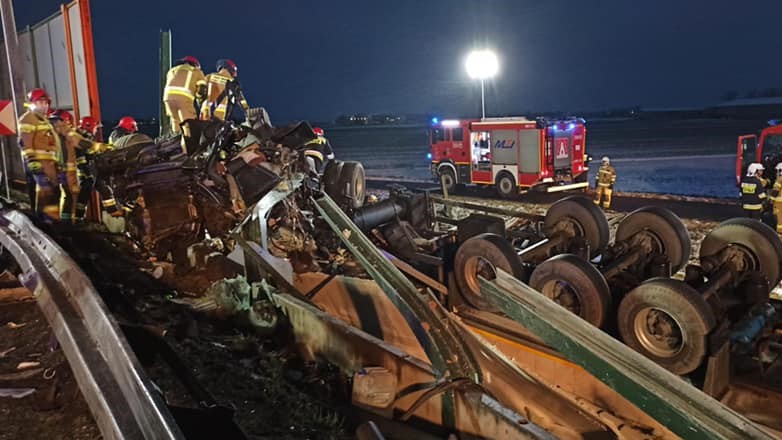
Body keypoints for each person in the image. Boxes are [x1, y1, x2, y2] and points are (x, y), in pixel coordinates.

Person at [18, 88, 61, 220]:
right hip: (37, 162)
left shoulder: (43, 120)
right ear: (32, 103)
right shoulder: (28, 119)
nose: (44, 105)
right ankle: (47, 223)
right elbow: (25, 142)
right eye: (40, 102)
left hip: (48, 164)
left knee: (51, 193)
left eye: (46, 102)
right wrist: (32, 161)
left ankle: (45, 222)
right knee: (47, 192)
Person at [48, 110, 80, 223]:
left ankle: (58, 222)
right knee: (66, 196)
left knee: (61, 196)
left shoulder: (51, 133)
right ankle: (63, 223)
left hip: (54, 170)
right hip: (59, 171)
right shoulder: (60, 136)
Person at [163, 56, 206, 141]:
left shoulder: (172, 70)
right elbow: (201, 90)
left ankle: (176, 144)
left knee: (176, 123)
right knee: (189, 125)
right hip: (184, 99)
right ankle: (189, 147)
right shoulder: (196, 71)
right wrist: (200, 100)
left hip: (168, 100)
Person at [770, 162, 782, 232]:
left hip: (779, 203)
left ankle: (779, 234)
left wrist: (771, 201)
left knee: (779, 220)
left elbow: (775, 191)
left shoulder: (779, 179)